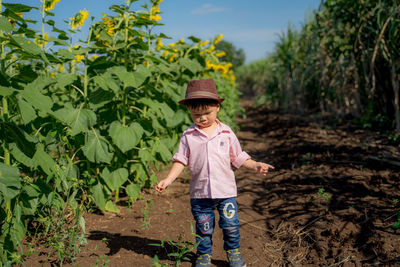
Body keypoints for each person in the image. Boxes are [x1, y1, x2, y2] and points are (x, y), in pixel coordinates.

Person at [155, 79, 274, 267]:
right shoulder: (188, 136)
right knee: (204, 228)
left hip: (226, 192)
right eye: (196, 114)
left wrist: (255, 164)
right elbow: (180, 161)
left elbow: (239, 157)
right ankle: (204, 255)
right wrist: (168, 179)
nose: (202, 118)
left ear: (217, 107)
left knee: (231, 225)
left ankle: (233, 252)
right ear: (190, 111)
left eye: (207, 113)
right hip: (200, 193)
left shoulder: (226, 133)